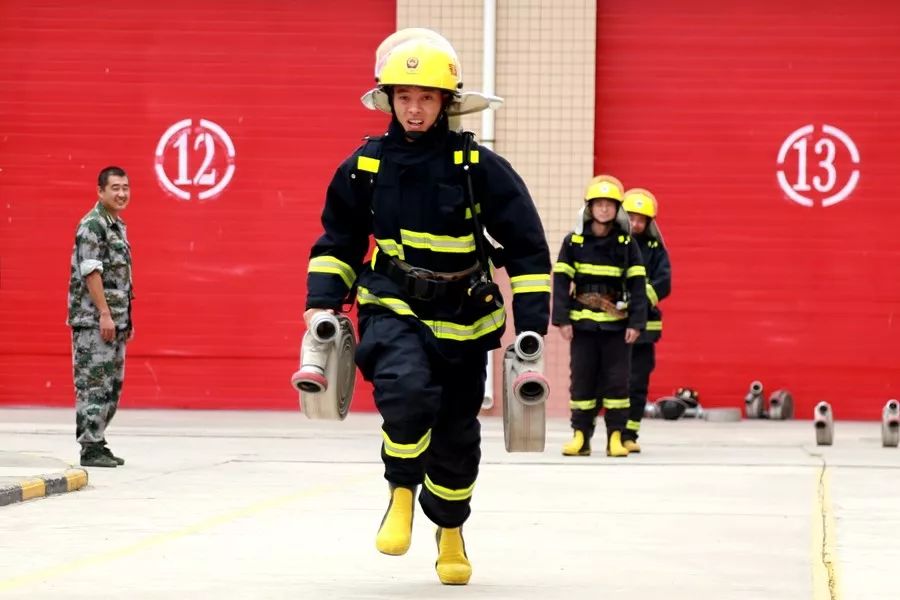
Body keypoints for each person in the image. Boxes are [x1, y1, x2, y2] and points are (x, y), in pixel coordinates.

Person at [302, 29, 550, 585]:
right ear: (388, 99)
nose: (414, 109)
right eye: (404, 97)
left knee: (457, 435)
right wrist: (322, 305)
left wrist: (531, 329)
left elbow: (527, 249)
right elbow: (338, 243)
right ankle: (399, 492)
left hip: (466, 319)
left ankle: (451, 530)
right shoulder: (364, 168)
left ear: (446, 103)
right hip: (392, 306)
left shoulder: (478, 167)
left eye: (427, 98)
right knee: (407, 394)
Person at [553, 175, 648, 458]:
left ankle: (615, 437)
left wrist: (636, 323)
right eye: (599, 204)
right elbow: (560, 282)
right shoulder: (574, 242)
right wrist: (563, 319)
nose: (604, 209)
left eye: (609, 204)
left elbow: (637, 284)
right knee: (582, 380)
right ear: (589, 207)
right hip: (582, 325)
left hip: (617, 328)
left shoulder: (626, 243)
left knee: (618, 382)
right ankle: (580, 436)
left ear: (617, 209)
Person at [67, 166, 134, 468]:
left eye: (125, 187)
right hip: (94, 322)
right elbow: (91, 272)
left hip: (114, 322)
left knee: (111, 387)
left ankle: (98, 440)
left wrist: (124, 319)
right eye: (115, 188)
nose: (122, 193)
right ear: (100, 191)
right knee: (93, 384)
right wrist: (105, 315)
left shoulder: (116, 225)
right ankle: (90, 447)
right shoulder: (92, 225)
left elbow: (121, 278)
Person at [621, 188, 671, 452]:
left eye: (642, 219)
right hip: (612, 326)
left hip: (644, 330)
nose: (636, 223)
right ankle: (612, 433)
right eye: (631, 217)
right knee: (613, 381)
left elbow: (664, 282)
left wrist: (638, 300)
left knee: (637, 382)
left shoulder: (654, 248)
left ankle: (630, 433)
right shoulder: (613, 243)